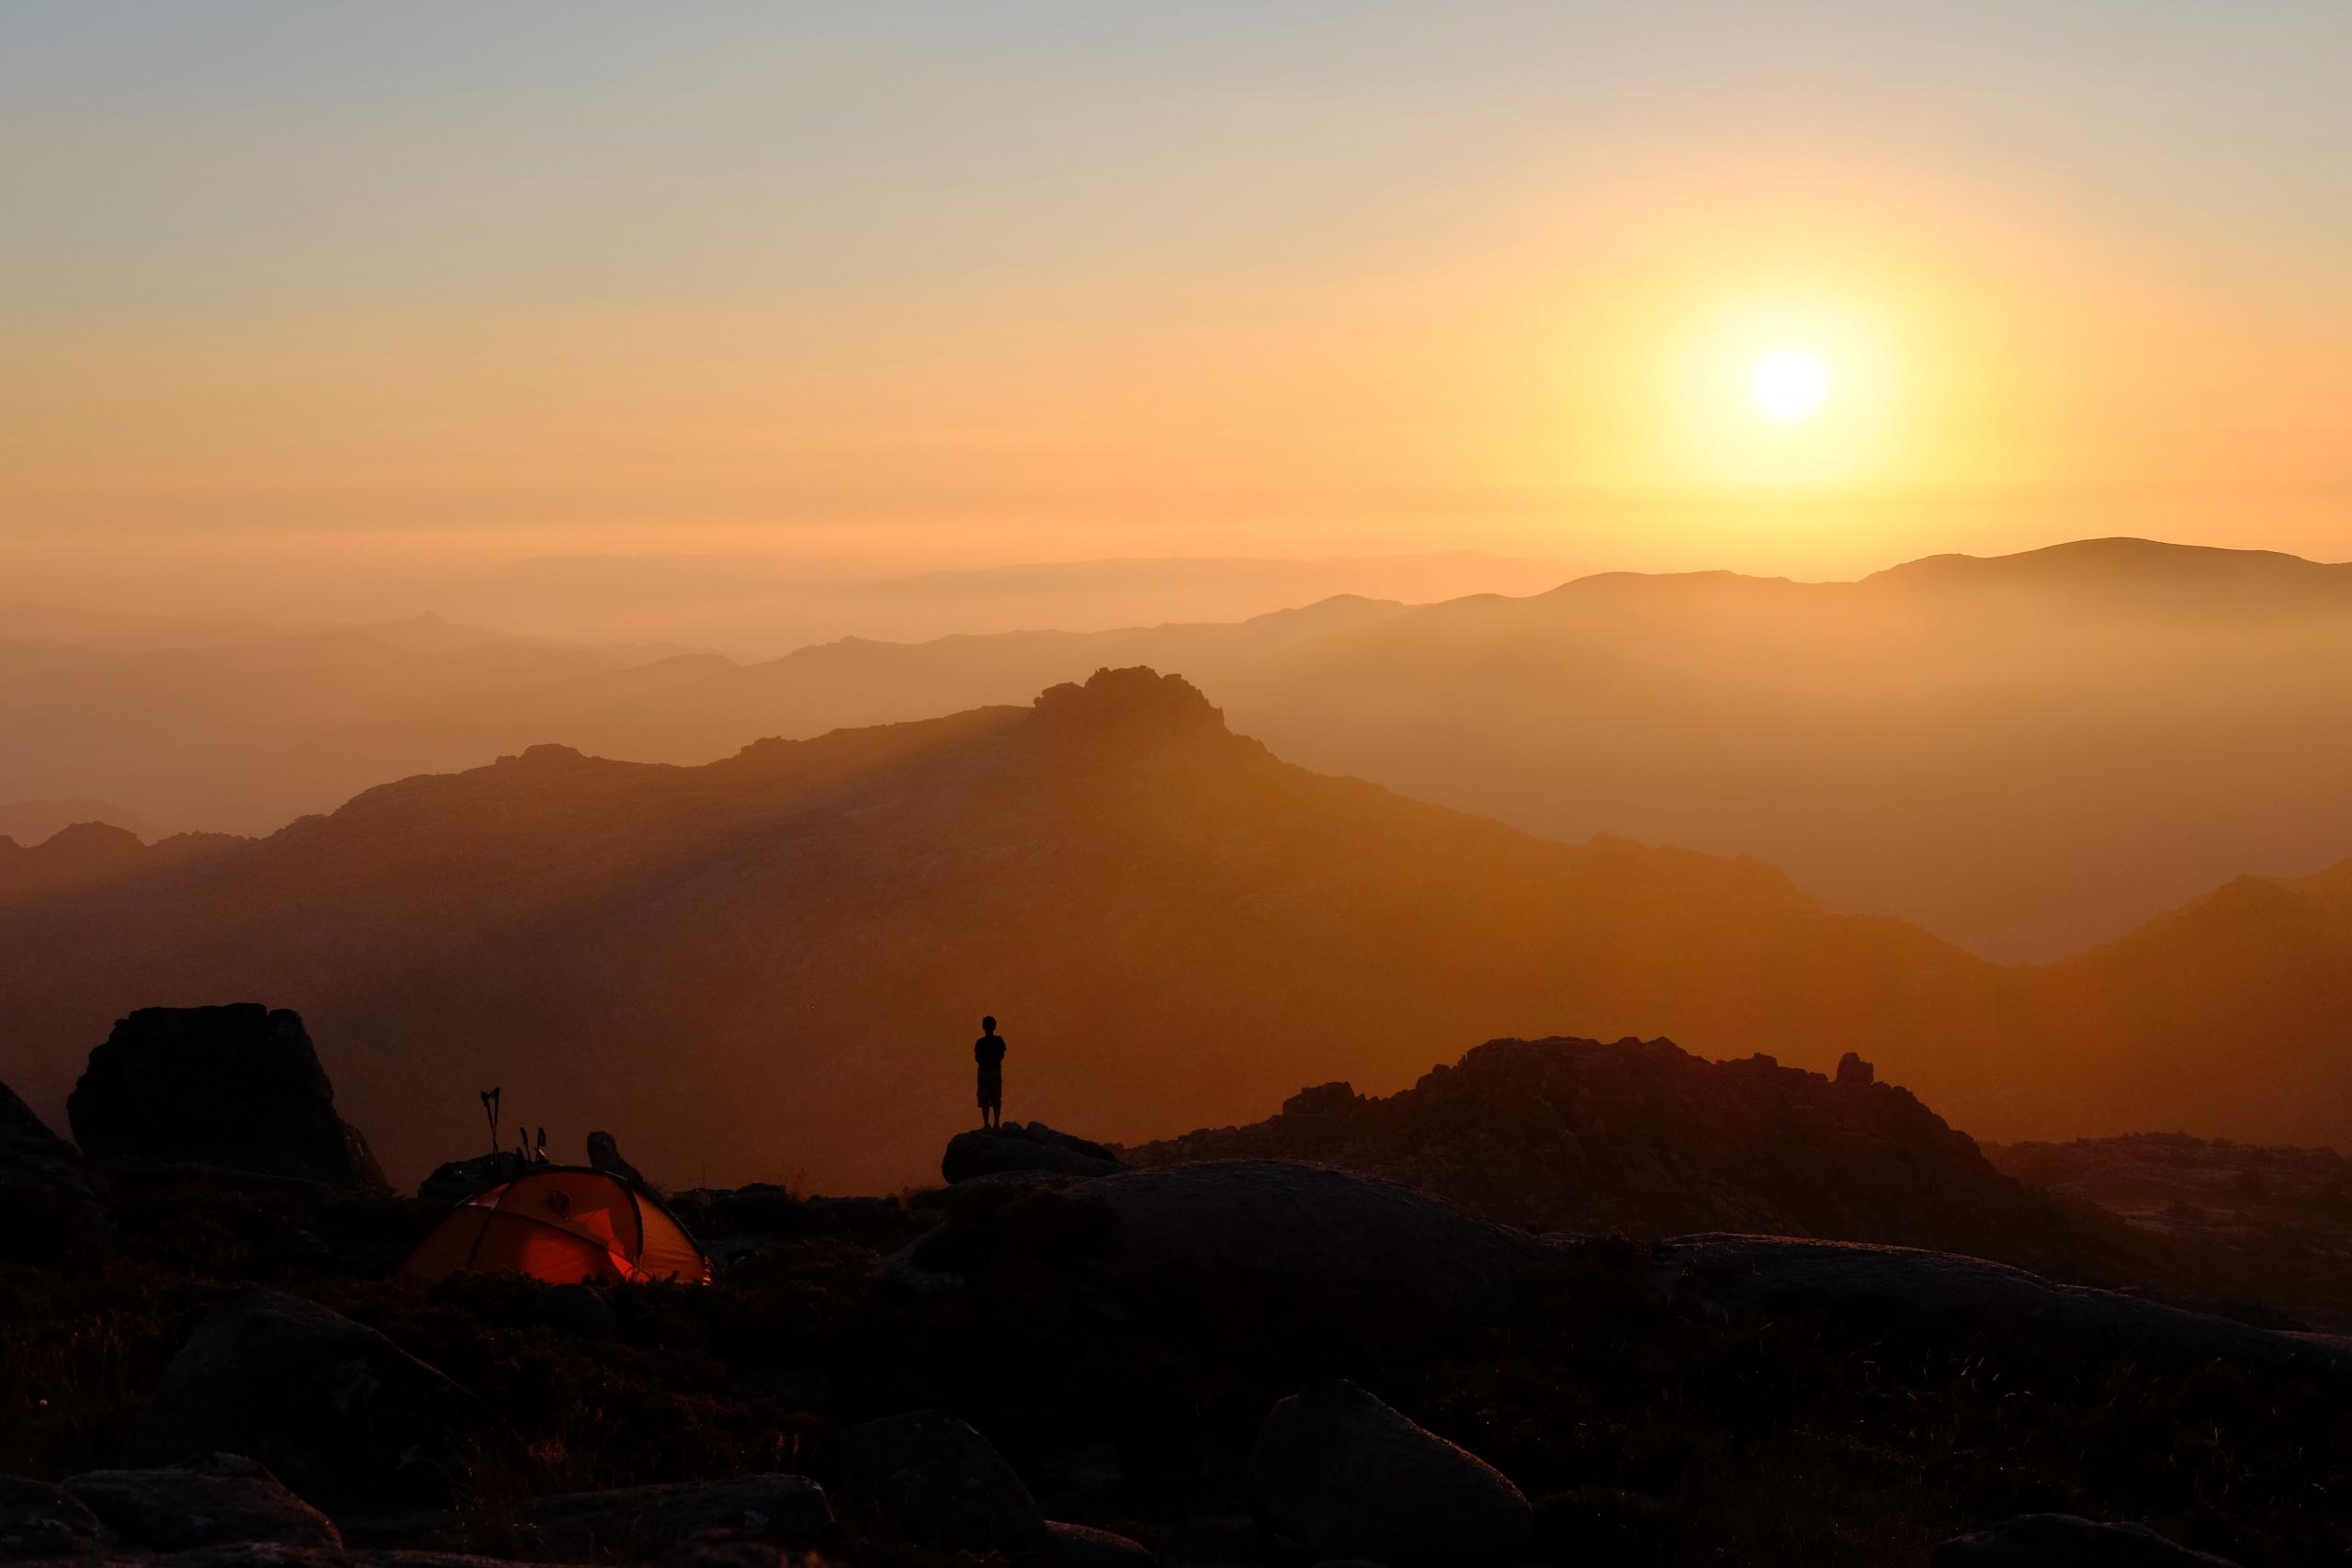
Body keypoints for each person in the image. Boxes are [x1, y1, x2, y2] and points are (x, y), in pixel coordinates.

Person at [974, 1015, 1007, 1130]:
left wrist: (985, 1062)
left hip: (984, 1072)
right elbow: (1002, 1055)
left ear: (983, 1027)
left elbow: (977, 1058)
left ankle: (986, 1123)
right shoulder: (999, 1041)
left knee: (984, 1098)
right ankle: (996, 1123)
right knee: (996, 1097)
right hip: (995, 1071)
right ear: (995, 1027)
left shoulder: (980, 1042)